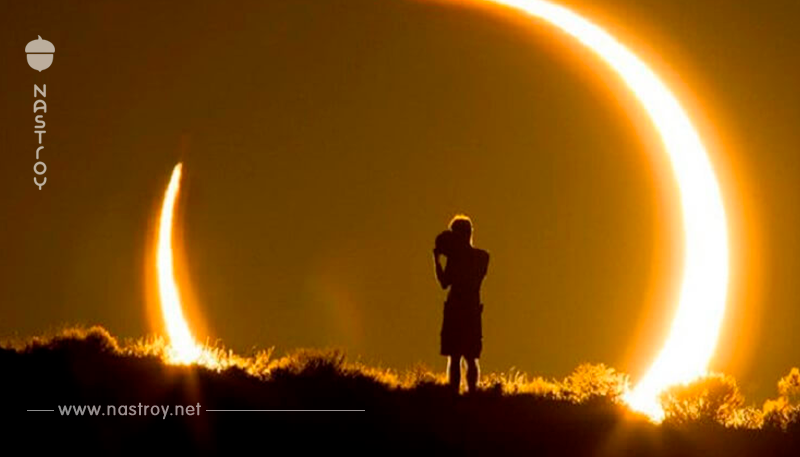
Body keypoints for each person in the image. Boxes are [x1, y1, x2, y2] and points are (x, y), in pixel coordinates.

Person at [433, 214, 489, 394]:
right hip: (472, 308)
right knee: (471, 356)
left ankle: (454, 393)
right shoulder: (482, 257)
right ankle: (472, 392)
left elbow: (444, 283)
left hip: (456, 307)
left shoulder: (456, 259)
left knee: (455, 356)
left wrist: (437, 260)